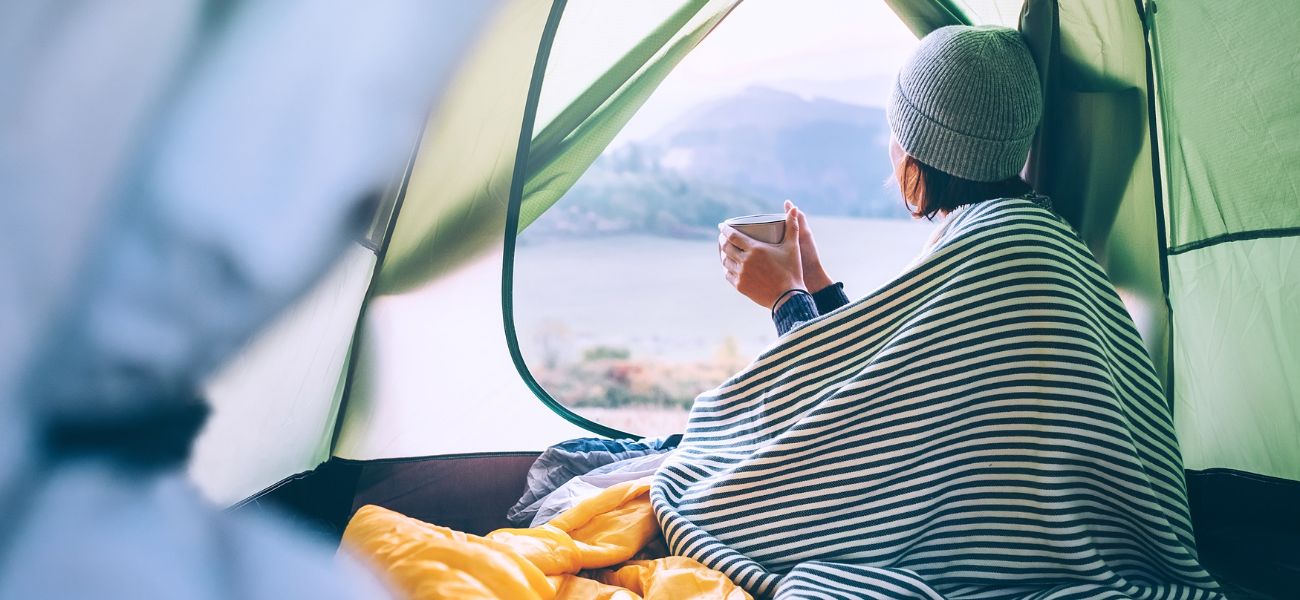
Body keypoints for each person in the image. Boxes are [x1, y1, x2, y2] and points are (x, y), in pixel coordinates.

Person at [674, 24, 1225, 598]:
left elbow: (843, 444)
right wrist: (817, 284)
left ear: (918, 152)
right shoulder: (1033, 233)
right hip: (1084, 542)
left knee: (700, 488)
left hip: (1025, 564)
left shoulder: (995, 251)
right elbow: (896, 389)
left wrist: (786, 301)